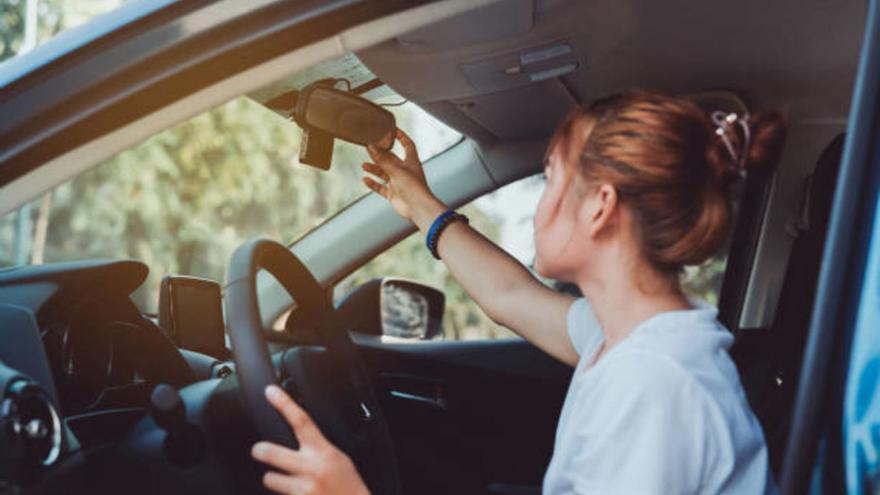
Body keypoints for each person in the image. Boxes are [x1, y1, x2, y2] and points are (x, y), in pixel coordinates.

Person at [249, 90, 787, 494]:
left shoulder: (655, 386)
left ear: (599, 207)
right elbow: (508, 295)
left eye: (550, 178)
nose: (541, 203)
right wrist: (419, 204)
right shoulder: (625, 337)